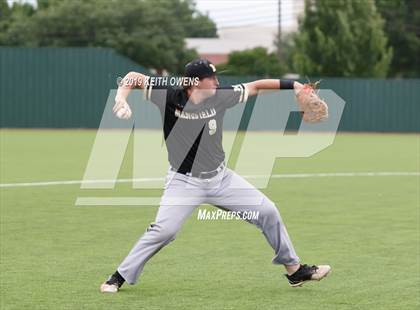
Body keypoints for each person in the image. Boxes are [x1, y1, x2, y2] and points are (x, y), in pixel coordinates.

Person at [100, 59, 331, 293]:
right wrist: (120, 98)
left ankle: (295, 270)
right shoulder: (169, 96)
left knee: (268, 211)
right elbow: (132, 77)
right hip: (184, 181)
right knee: (164, 231)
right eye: (212, 78)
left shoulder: (220, 96)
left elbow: (256, 86)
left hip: (221, 179)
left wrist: (294, 86)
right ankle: (117, 276)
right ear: (195, 83)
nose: (217, 81)